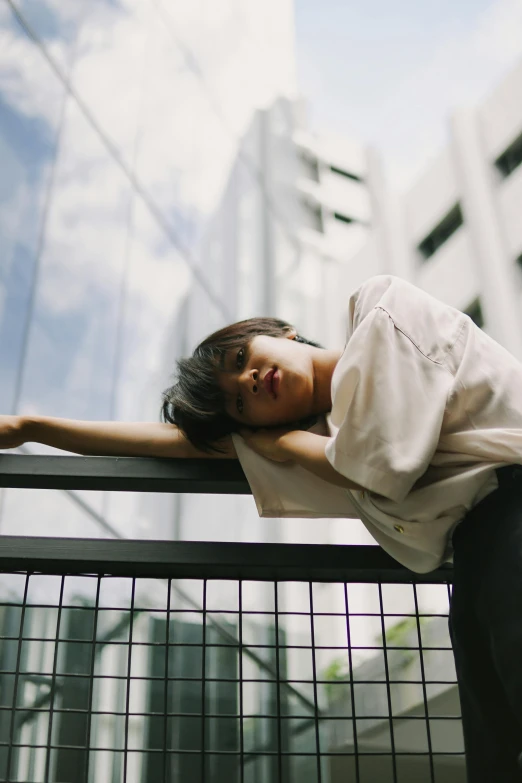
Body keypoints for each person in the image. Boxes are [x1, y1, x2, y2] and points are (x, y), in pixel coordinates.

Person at [1, 274, 522, 780]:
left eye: (240, 359)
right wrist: (32, 428)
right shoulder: (320, 438)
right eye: (238, 402)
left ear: (280, 332)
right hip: (476, 561)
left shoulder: (381, 309)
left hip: (513, 513)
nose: (247, 381)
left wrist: (284, 445)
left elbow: (381, 465)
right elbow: (165, 441)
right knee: (497, 755)